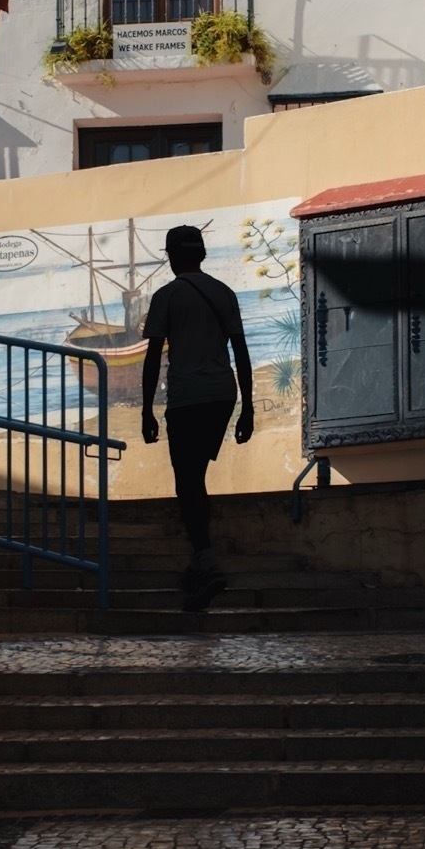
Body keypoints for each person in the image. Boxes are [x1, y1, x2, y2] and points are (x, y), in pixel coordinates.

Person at [141, 223, 253, 611]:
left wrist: (146, 411)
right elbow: (241, 352)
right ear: (202, 254)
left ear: (171, 256)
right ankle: (199, 562)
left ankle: (205, 560)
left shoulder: (166, 296)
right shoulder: (225, 294)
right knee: (196, 477)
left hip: (187, 400)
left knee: (186, 481)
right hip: (223, 396)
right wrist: (248, 408)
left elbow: (153, 357)